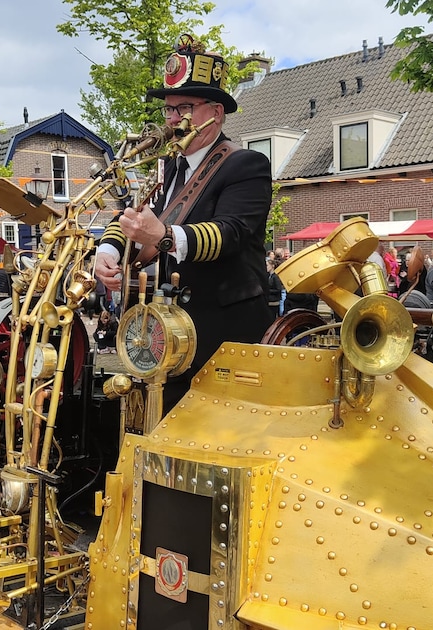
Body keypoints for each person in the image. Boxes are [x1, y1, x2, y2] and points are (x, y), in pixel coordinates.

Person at [94, 35, 274, 409]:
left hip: (225, 331)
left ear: (216, 113)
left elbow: (231, 233)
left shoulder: (246, 164)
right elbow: (136, 213)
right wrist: (107, 250)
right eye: (169, 110)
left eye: (184, 108)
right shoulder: (170, 165)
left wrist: (163, 235)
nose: (173, 119)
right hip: (169, 332)